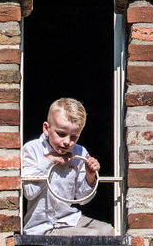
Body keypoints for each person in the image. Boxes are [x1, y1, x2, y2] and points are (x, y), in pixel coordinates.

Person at [22, 98, 113, 236]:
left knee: (108, 231)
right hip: (42, 226)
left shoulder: (80, 152)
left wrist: (90, 175)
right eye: (61, 134)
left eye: (74, 137)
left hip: (69, 219)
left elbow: (83, 199)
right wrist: (50, 161)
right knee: (91, 236)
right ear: (46, 128)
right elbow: (29, 192)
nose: (67, 142)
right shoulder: (32, 149)